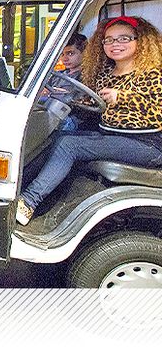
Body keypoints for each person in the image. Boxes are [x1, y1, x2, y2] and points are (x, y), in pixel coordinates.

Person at [17, 16, 162, 225]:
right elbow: (95, 100)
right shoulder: (106, 73)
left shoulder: (153, 74)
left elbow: (156, 110)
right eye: (109, 40)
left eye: (124, 38)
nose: (115, 44)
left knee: (69, 145)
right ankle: (18, 190)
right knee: (56, 137)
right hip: (112, 135)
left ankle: (29, 201)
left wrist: (121, 97)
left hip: (146, 145)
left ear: (140, 41)